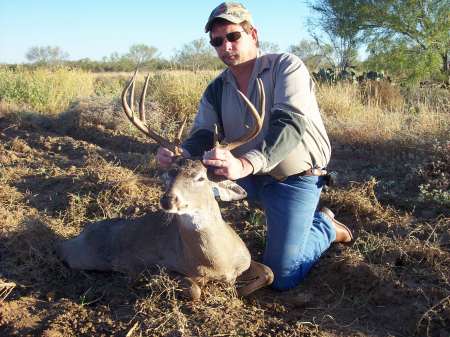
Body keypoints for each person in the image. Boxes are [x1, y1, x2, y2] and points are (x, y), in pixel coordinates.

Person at [156, 2, 353, 291]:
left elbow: (290, 126)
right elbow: (202, 133)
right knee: (189, 188)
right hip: (244, 176)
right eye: (217, 41)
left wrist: (245, 164)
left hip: (293, 179)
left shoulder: (286, 67)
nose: (226, 46)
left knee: (283, 275)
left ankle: (325, 226)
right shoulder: (217, 87)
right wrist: (183, 154)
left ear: (253, 34)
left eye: (233, 36)